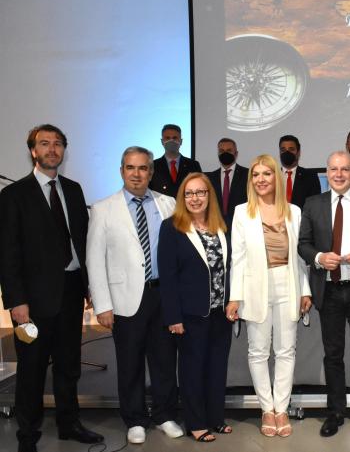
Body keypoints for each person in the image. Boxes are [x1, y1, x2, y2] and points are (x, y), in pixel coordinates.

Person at [0, 124, 104, 452]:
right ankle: (27, 435)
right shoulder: (14, 195)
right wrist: (16, 301)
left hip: (71, 291)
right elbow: (8, 253)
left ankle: (68, 424)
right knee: (31, 370)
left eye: (58, 143)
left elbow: (82, 241)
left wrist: (89, 286)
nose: (52, 149)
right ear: (33, 151)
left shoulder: (73, 190)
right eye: (44, 143)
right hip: (31, 301)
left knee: (69, 365)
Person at [87, 146, 182, 444]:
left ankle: (164, 415)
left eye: (143, 168)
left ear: (151, 172)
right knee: (130, 363)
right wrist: (102, 305)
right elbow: (94, 260)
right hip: (125, 299)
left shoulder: (168, 204)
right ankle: (135, 419)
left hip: (163, 295)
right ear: (121, 171)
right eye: (130, 167)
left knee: (165, 361)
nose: (136, 174)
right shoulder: (103, 209)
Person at [226, 154, 312, 438]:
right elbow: (237, 259)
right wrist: (235, 296)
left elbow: (300, 257)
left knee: (286, 351)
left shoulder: (294, 211)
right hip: (254, 289)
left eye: (266, 173)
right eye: (255, 174)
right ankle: (267, 409)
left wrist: (305, 290)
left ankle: (282, 409)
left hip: (288, 285)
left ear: (277, 176)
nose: (261, 179)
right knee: (258, 352)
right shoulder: (242, 212)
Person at [298, 151, 350, 438]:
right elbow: (303, 244)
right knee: (333, 355)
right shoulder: (313, 203)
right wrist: (319, 257)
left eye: (345, 169)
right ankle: (335, 412)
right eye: (334, 169)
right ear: (326, 172)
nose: (339, 174)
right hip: (329, 290)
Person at [158, 173, 233, 443]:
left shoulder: (220, 226)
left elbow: (230, 267)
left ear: (209, 195)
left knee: (217, 368)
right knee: (192, 370)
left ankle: (215, 418)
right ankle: (196, 423)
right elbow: (167, 276)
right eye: (189, 193)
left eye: (201, 192)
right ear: (182, 198)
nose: (195, 198)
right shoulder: (171, 227)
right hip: (190, 314)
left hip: (220, 313)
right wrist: (173, 316)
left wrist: (233, 300)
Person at [205, 137, 249, 230]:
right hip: (216, 227)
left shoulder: (248, 175)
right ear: (218, 154)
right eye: (221, 151)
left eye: (229, 150)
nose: (225, 153)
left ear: (236, 154)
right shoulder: (209, 178)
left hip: (241, 226)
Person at [149, 124, 202, 197]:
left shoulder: (193, 165)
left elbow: (200, 189)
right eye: (167, 138)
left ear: (181, 141)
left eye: (175, 138)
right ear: (162, 141)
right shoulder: (153, 166)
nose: (171, 141)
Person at [278, 134, 322, 208]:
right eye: (283, 150)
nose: (287, 153)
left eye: (291, 149)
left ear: (298, 152)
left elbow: (315, 206)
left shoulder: (310, 176)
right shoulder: (272, 176)